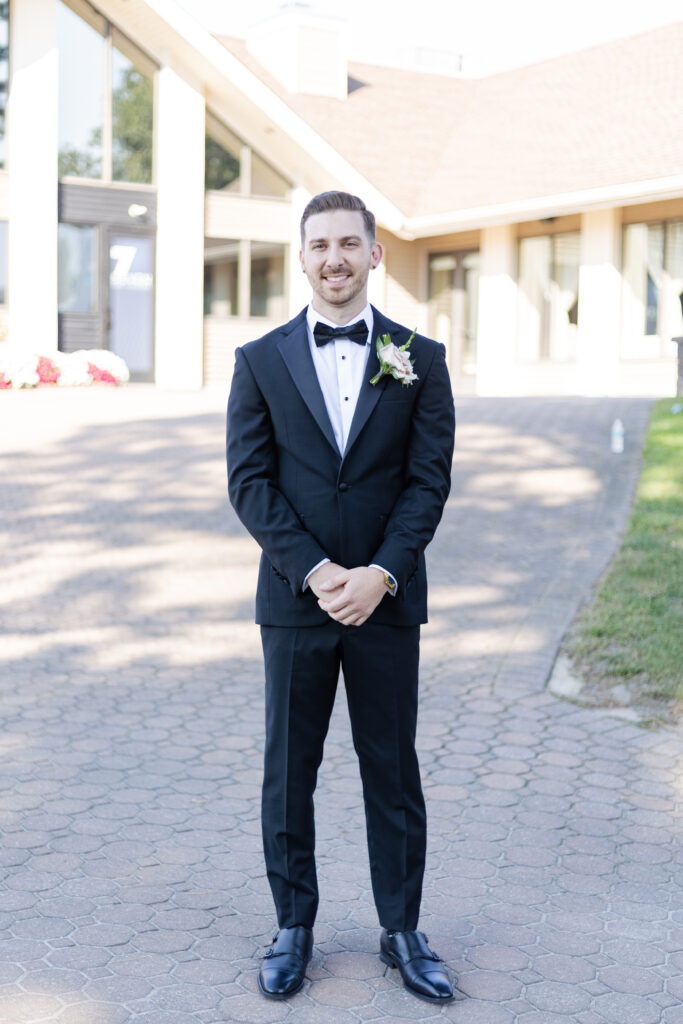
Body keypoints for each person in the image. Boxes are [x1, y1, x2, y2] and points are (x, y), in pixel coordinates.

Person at [226, 190, 456, 1004]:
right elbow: (249, 483)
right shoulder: (258, 360)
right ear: (301, 255)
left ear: (373, 254)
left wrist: (379, 574)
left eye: (348, 244)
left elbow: (427, 484)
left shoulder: (418, 358)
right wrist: (320, 572)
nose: (334, 258)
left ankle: (402, 929)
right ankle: (293, 926)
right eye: (319, 244)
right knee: (289, 769)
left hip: (387, 602)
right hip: (296, 602)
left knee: (390, 768)